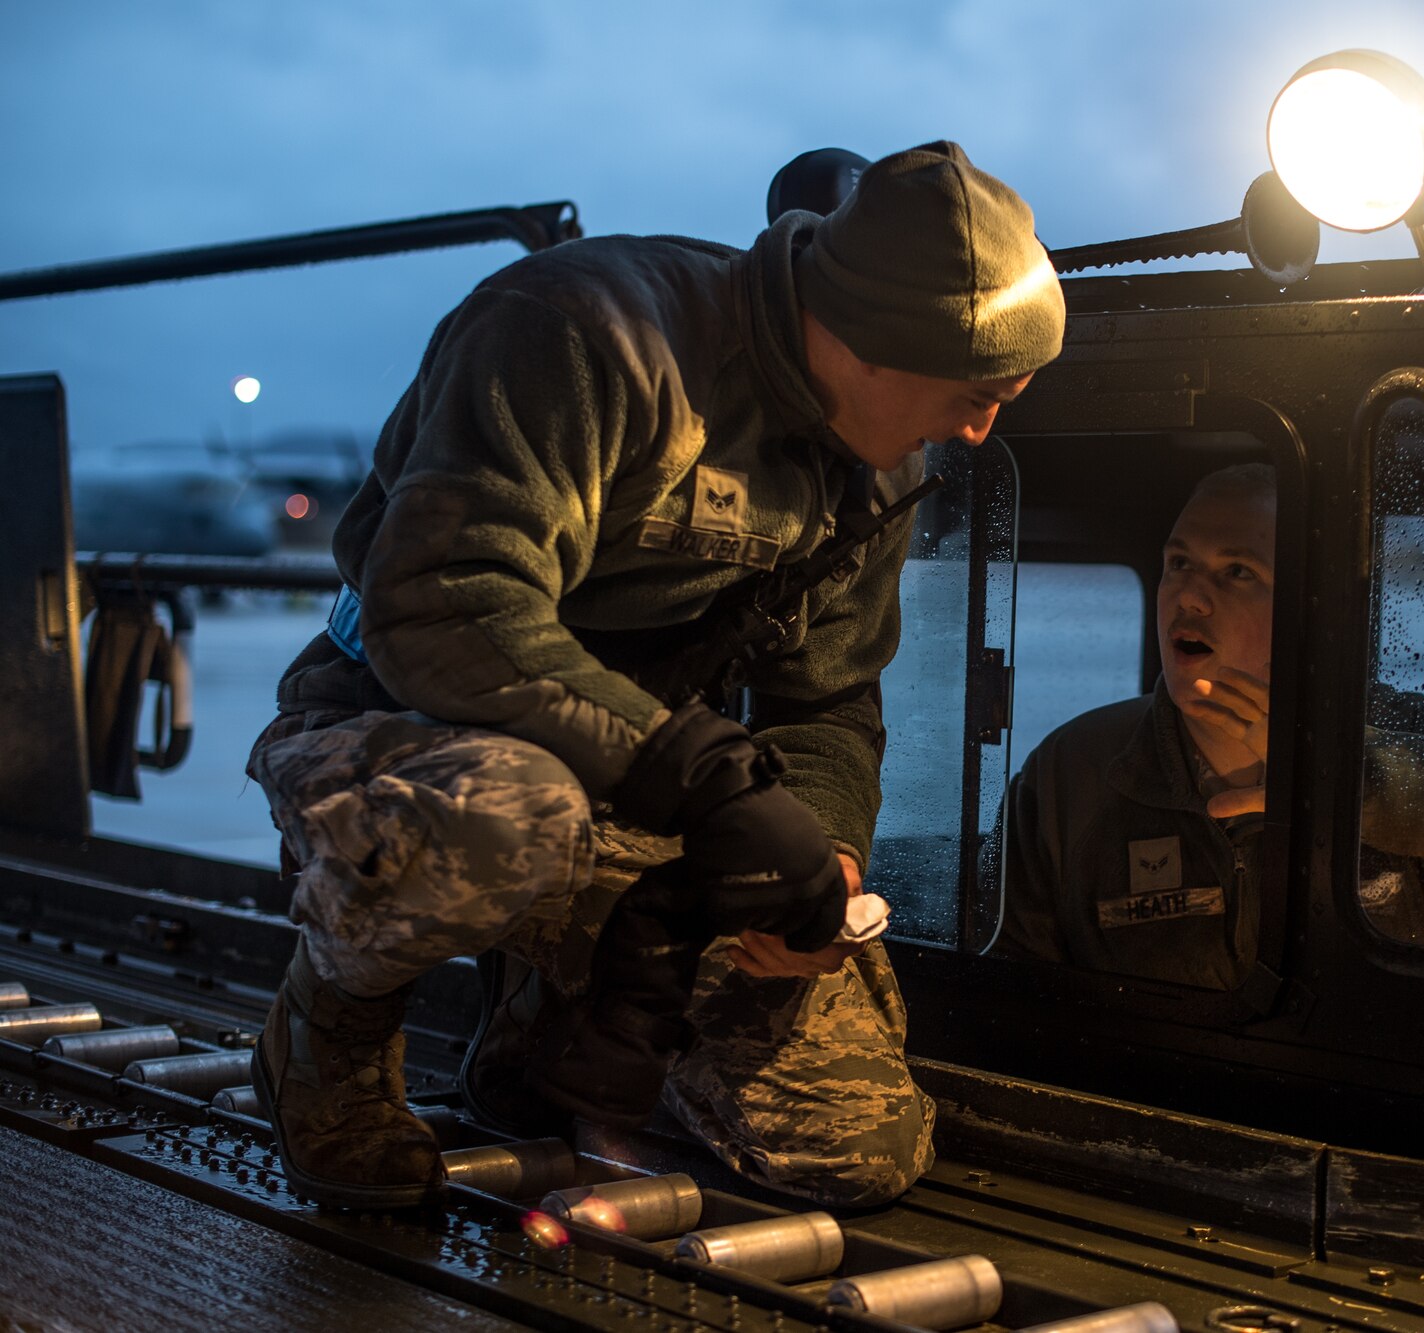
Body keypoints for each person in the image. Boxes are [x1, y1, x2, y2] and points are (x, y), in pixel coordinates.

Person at [246, 141, 1066, 1210]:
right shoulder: (585, 337)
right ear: (873, 342)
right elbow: (442, 605)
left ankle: (539, 1028)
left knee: (853, 1144)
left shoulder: (877, 468)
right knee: (506, 814)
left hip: (635, 776)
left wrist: (817, 852)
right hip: (393, 731)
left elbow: (822, 698)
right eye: (976, 393)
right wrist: (710, 781)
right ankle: (324, 1037)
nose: (975, 428)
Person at [995, 464, 1424, 987]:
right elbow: (1013, 990)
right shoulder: (1074, 769)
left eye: (1238, 571)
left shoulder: (1411, 735)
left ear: (1314, 605)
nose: (1188, 596)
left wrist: (1350, 782)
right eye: (1178, 564)